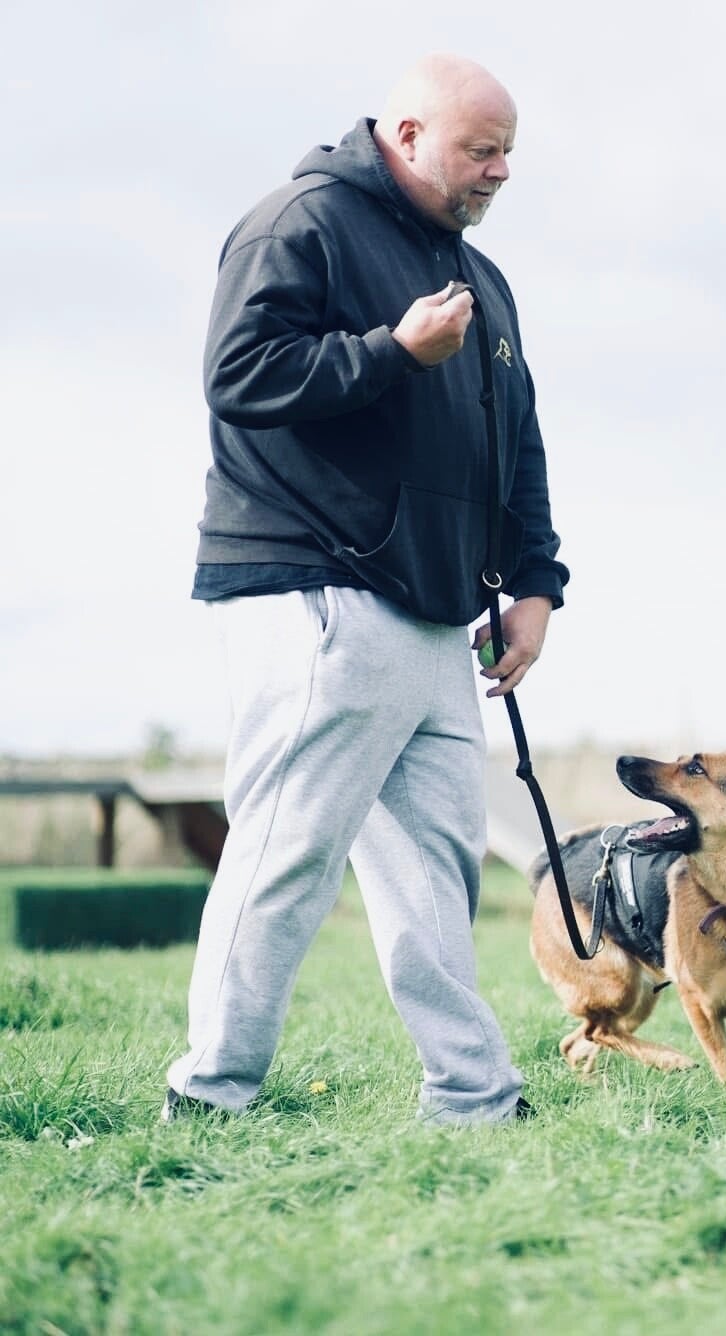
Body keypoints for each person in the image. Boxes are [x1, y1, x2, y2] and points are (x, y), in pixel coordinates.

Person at [163, 53, 568, 1126]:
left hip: (435, 614)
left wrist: (535, 582)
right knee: (286, 854)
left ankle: (473, 1099)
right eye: (481, 150)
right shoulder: (299, 223)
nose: (500, 171)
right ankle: (208, 1098)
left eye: (508, 152)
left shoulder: (482, 281)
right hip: (316, 588)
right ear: (407, 134)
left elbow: (515, 442)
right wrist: (392, 350)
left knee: (437, 871)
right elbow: (237, 374)